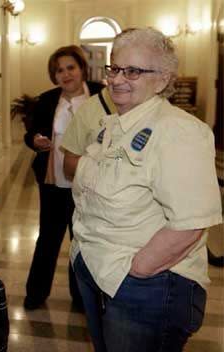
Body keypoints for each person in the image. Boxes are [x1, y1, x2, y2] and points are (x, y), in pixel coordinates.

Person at [70, 27, 222, 352]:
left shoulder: (179, 131)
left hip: (146, 286)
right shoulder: (115, 126)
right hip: (100, 272)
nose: (117, 79)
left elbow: (191, 223)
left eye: (134, 71)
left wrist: (135, 272)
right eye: (114, 68)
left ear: (163, 79)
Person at [22, 45, 104, 310]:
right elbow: (31, 132)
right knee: (48, 237)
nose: (66, 74)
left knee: (82, 239)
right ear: (54, 75)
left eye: (71, 67)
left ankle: (81, 297)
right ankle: (36, 293)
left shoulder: (102, 96)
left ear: (82, 69)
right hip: (54, 182)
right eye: (59, 70)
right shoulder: (47, 100)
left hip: (91, 184)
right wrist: (35, 139)